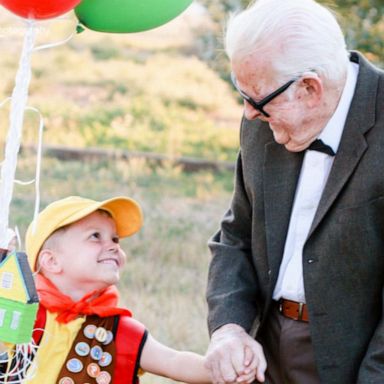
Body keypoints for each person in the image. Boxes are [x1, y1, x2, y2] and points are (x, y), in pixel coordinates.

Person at [204, 0, 384, 383]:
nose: (250, 114)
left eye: (256, 100)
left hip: (358, 360)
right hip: (263, 347)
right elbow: (235, 235)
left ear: (309, 88)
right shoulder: (263, 116)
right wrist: (229, 328)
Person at [0, 196, 255, 384]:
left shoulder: (117, 330)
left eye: (115, 239)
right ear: (51, 261)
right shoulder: (21, 313)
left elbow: (173, 361)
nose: (112, 246)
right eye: (95, 236)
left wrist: (228, 367)